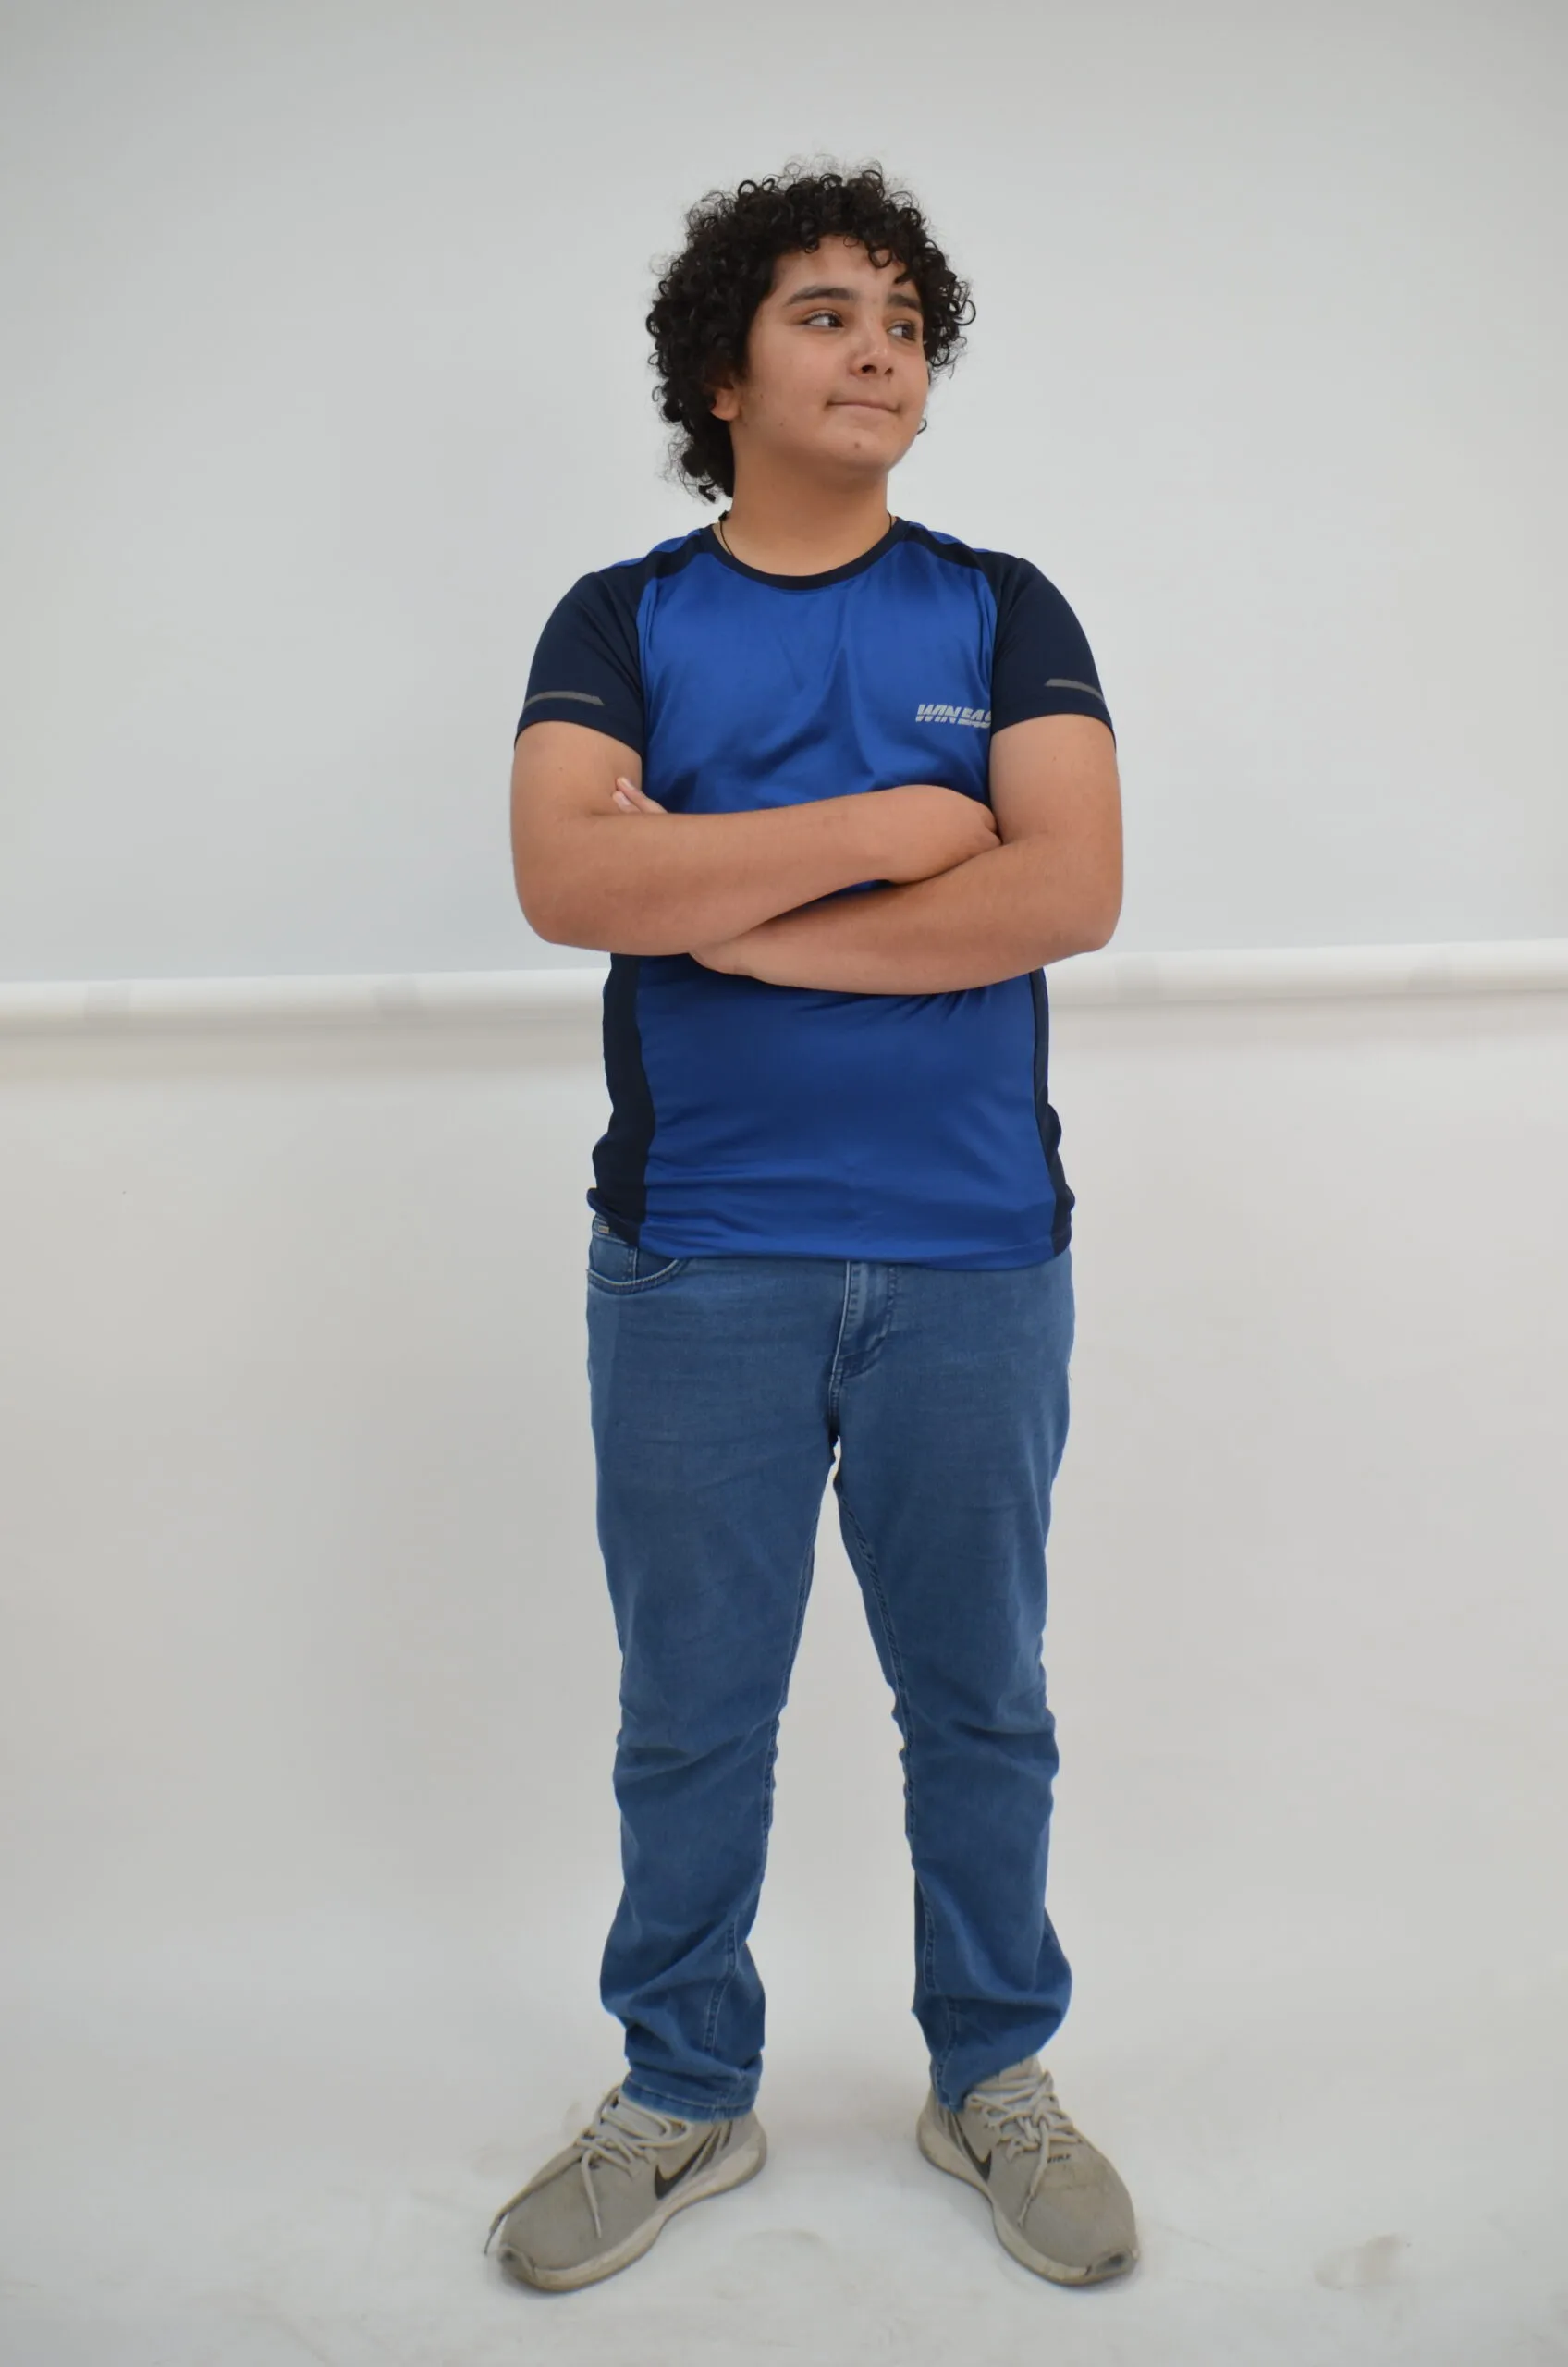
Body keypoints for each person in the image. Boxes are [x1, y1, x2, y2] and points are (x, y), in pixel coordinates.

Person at [484, 159, 1133, 2295]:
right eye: (825, 313)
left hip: (973, 1251)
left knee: (980, 1699)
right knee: (692, 1707)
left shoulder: (1001, 606)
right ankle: (682, 2084)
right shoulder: (618, 620)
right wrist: (890, 829)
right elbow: (572, 882)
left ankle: (991, 2074)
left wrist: (735, 914)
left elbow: (1062, 888)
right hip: (696, 1250)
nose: (876, 351)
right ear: (720, 370)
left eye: (904, 323)